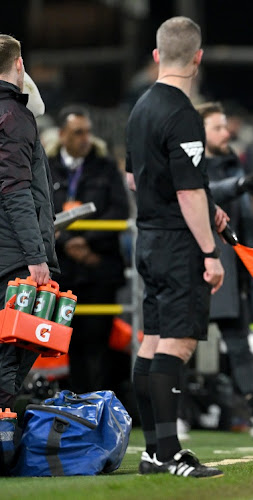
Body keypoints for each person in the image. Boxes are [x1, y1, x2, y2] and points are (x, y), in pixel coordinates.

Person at [125, 17, 226, 478]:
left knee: (152, 343)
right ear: (198, 57)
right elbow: (187, 191)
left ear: (156, 56)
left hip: (147, 239)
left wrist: (207, 205)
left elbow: (134, 177)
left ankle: (152, 452)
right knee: (178, 344)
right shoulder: (183, 113)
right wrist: (209, 249)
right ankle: (168, 453)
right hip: (178, 243)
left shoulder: (140, 108)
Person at [195, 101, 253, 439]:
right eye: (216, 127)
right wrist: (239, 185)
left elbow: (243, 222)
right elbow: (196, 195)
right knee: (180, 345)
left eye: (224, 125)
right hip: (197, 265)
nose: (225, 132)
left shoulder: (232, 163)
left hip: (232, 267)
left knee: (239, 344)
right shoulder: (189, 164)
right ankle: (175, 415)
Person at [48, 105, 130, 395]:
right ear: (62, 135)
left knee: (97, 343)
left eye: (87, 132)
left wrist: (87, 241)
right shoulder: (45, 167)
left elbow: (118, 210)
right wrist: (66, 243)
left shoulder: (105, 167)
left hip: (98, 267)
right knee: (63, 342)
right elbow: (37, 213)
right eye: (77, 133)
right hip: (62, 270)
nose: (85, 138)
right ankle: (69, 407)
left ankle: (97, 406)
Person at [0, 35, 59, 409]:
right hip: (16, 257)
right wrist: (37, 258)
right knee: (17, 350)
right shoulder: (15, 116)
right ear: (20, 65)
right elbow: (17, 191)